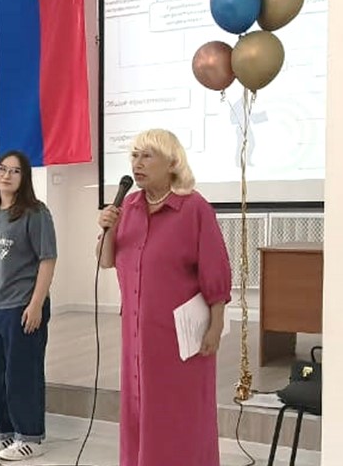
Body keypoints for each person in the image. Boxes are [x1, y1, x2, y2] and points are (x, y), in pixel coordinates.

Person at [97, 129, 232, 466]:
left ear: (172, 163)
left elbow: (215, 271)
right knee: (140, 409)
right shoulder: (128, 206)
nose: (137, 163)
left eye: (147, 156)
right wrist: (108, 226)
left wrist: (215, 327)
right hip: (137, 335)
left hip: (180, 338)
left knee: (179, 414)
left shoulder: (194, 208)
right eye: (134, 156)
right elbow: (106, 260)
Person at [0, 150, 57, 462]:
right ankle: (5, 431)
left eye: (15, 171)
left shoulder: (35, 213)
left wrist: (36, 304)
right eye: (2, 169)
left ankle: (30, 436)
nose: (6, 175)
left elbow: (47, 259)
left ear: (25, 178)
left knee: (23, 374)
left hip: (22, 305)